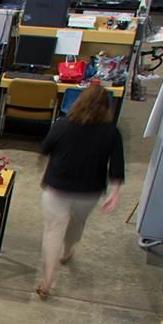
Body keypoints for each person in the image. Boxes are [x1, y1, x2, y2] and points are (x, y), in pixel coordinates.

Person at [35, 82, 124, 300]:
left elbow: (45, 148)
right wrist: (114, 193)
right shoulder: (112, 132)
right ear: (107, 108)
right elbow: (117, 165)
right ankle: (67, 252)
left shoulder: (63, 124)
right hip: (89, 190)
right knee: (76, 224)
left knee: (53, 230)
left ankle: (48, 279)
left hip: (57, 186)